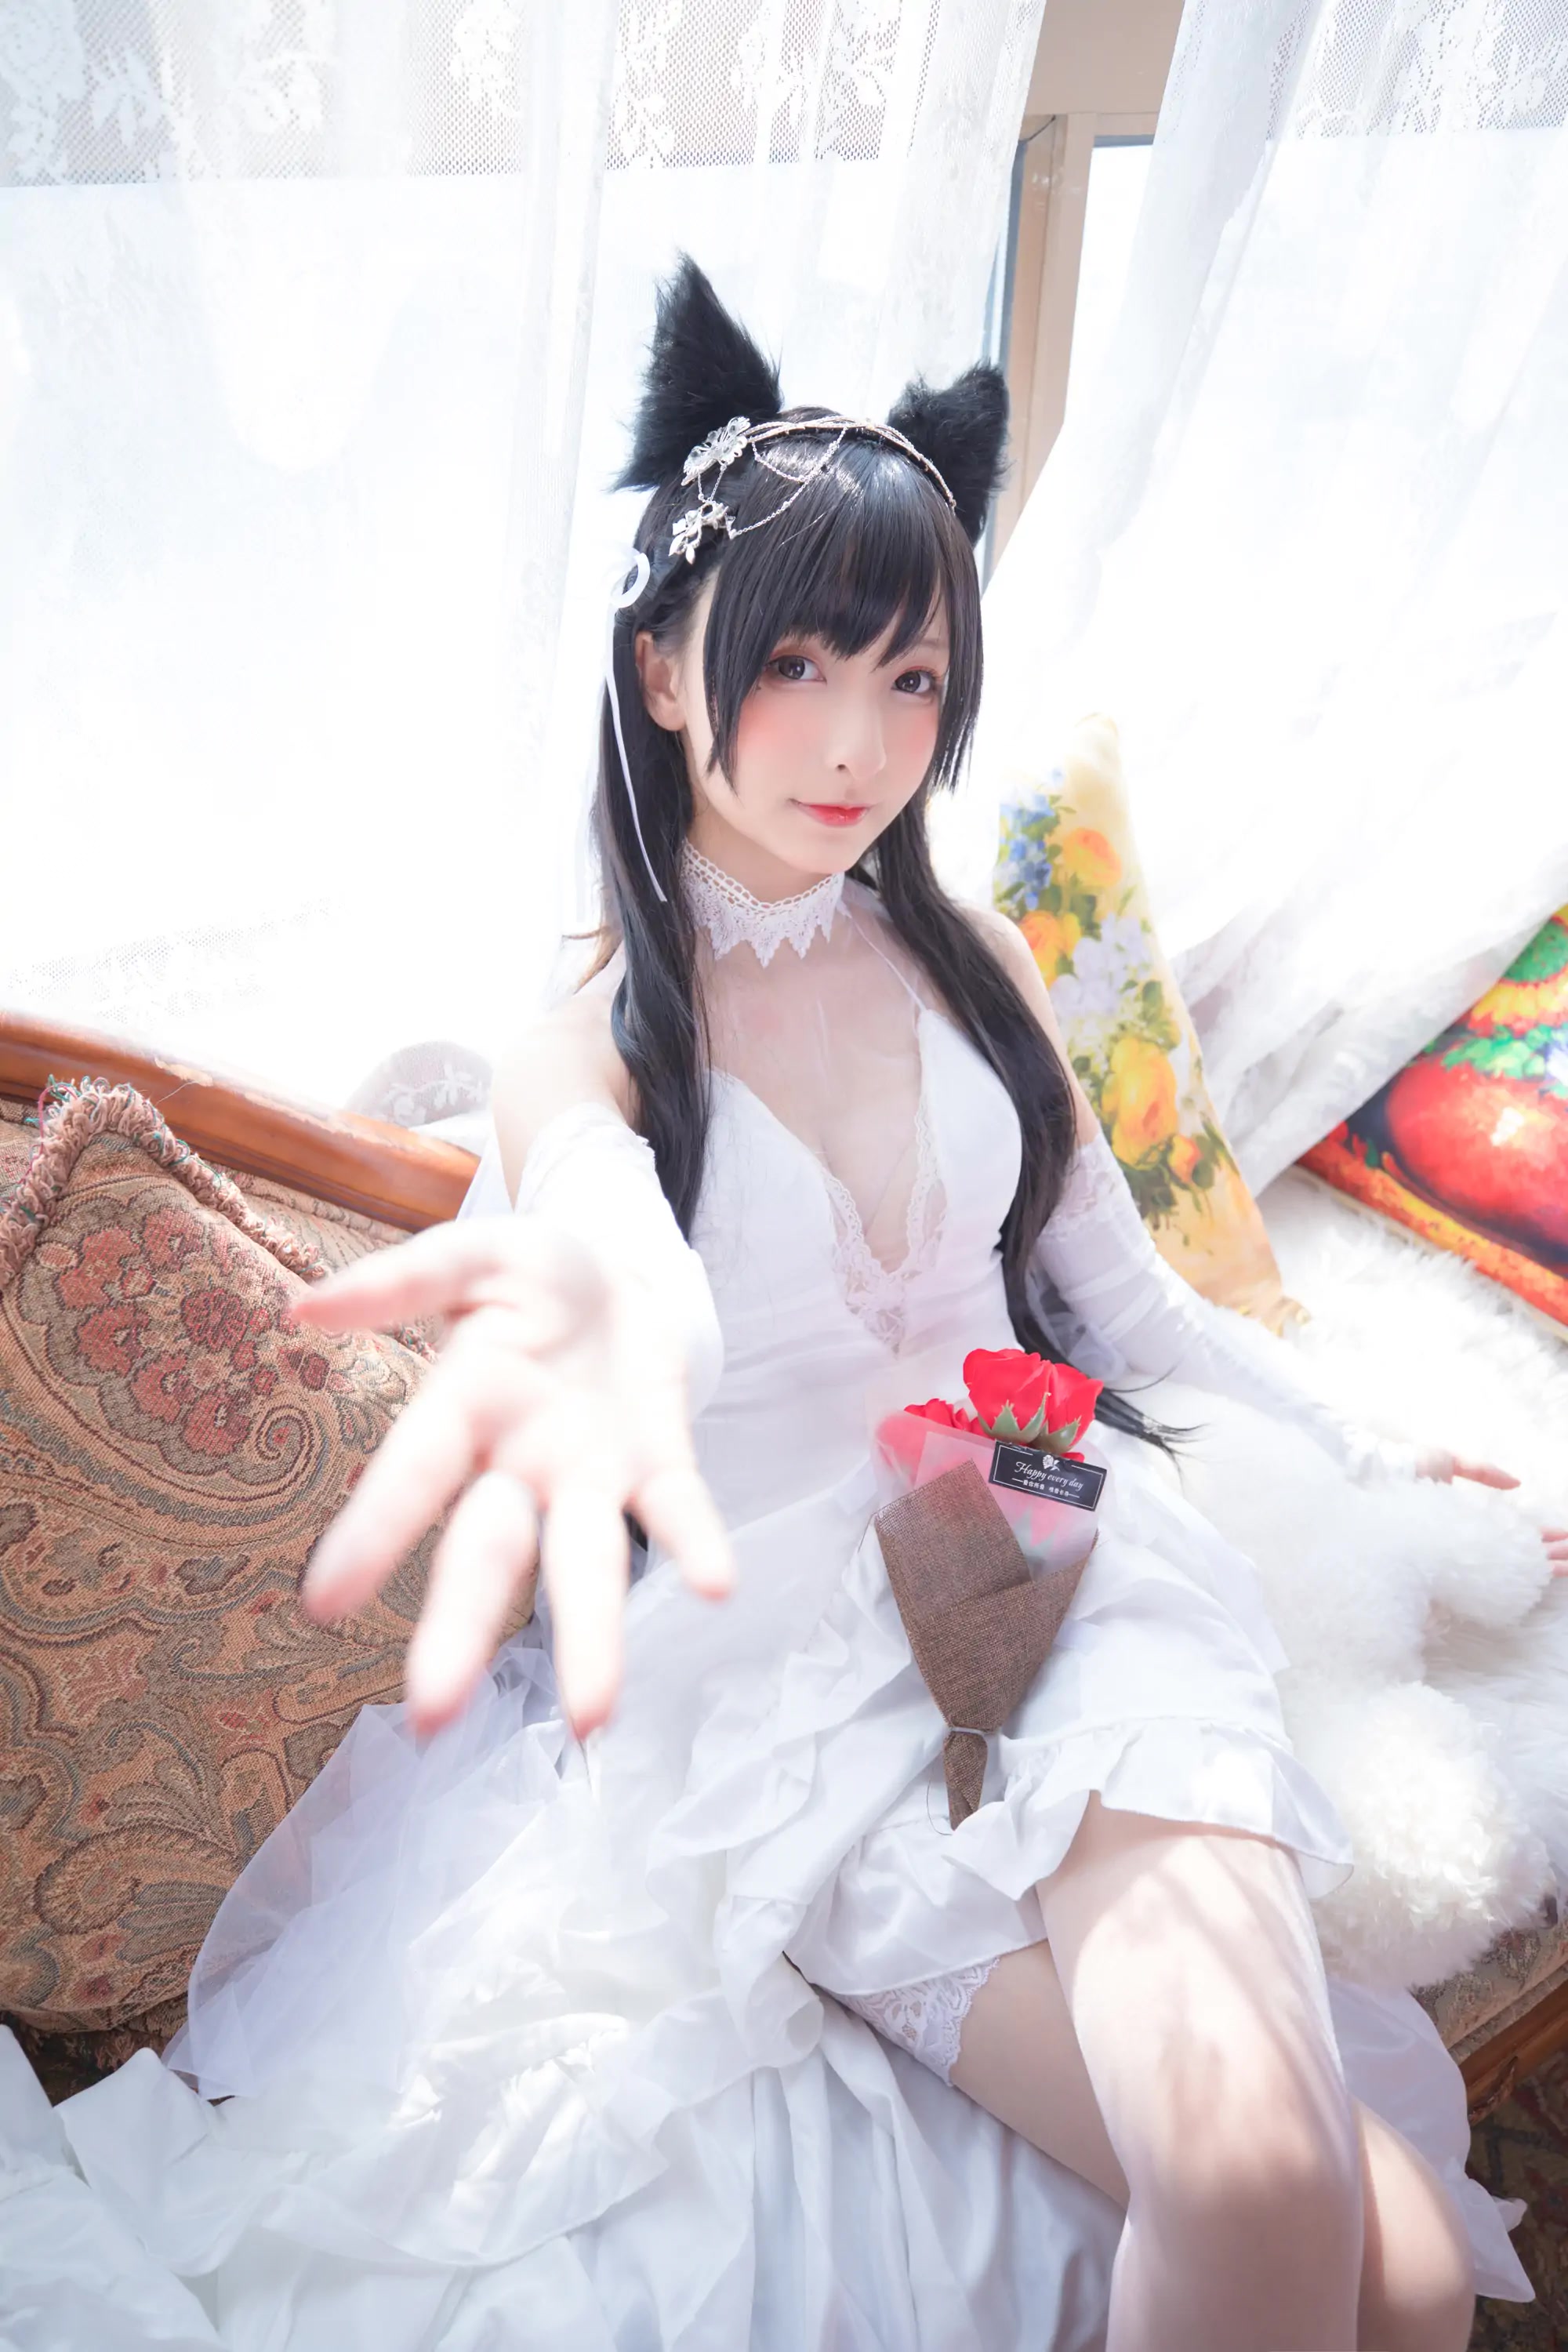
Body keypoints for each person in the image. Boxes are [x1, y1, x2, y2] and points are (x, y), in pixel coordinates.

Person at [1, 257, 1545, 2351]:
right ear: (664, 670)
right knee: (1338, 2236)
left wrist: (1380, 1454)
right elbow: (619, 1252)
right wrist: (623, 1322)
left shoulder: (982, 966)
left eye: (911, 679)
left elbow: (1141, 1313)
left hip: (1063, 1568)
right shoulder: (592, 1040)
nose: (856, 739)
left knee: (1361, 2240)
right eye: (798, 661)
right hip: (790, 1700)